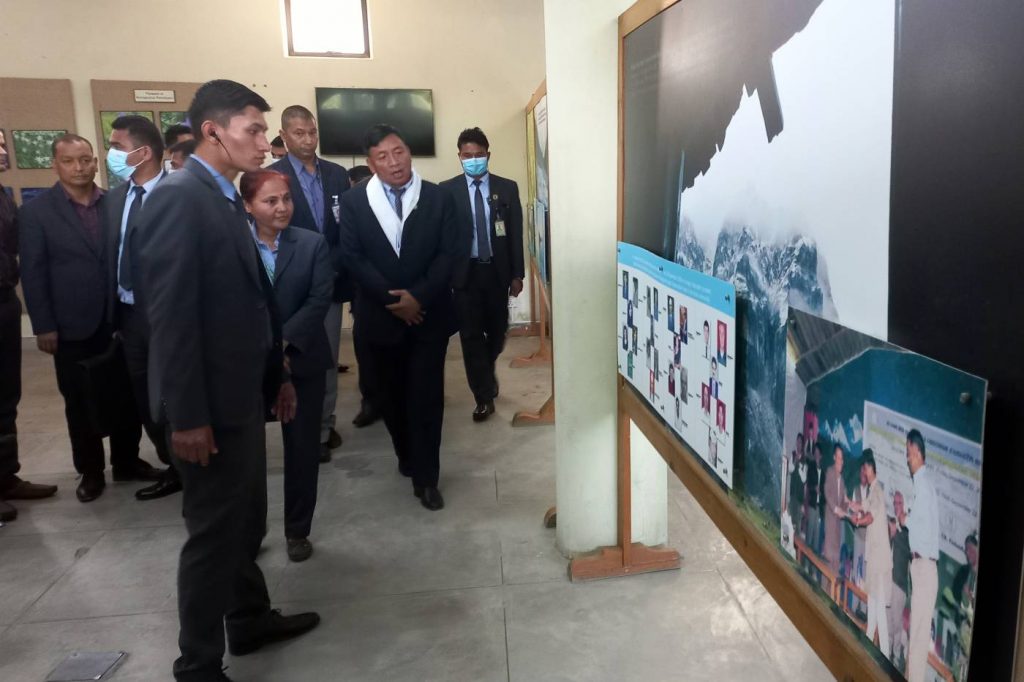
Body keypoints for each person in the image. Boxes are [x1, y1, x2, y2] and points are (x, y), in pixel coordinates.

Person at [134, 79, 318, 682]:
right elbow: (172, 319)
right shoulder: (179, 198)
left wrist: (277, 373)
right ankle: (197, 666)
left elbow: (252, 299)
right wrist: (187, 417)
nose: (265, 143)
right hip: (205, 407)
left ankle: (249, 619)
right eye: (254, 130)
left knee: (241, 521)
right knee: (213, 533)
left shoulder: (222, 198)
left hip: (239, 394)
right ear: (212, 131)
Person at [19, 134, 158, 503]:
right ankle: (91, 471)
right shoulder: (36, 213)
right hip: (69, 325)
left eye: (85, 160)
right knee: (80, 402)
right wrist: (43, 325)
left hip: (117, 318)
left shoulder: (115, 203)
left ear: (96, 163)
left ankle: (127, 461)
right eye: (69, 161)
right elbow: (33, 272)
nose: (78, 168)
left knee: (126, 395)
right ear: (55, 165)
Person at [339, 124, 461, 512]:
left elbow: (448, 254)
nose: (394, 162)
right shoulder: (355, 202)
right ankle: (406, 455)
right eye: (383, 156)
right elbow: (353, 256)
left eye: (399, 152)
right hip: (380, 317)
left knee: (427, 398)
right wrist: (394, 300)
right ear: (371, 163)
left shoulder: (438, 197)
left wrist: (418, 297)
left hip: (428, 316)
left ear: (409, 152)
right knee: (389, 397)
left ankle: (427, 478)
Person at [241, 169, 333, 563]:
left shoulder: (312, 244)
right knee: (248, 456)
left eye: (287, 199)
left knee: (302, 451)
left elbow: (319, 299)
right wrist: (264, 346)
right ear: (248, 206)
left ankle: (298, 530)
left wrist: (281, 344)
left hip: (302, 359)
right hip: (248, 364)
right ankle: (249, 532)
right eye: (270, 201)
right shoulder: (234, 246)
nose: (282, 207)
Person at [103, 115, 182, 502]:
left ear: (143, 152)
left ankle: (189, 466)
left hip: (171, 316)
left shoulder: (180, 195)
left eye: (117, 147)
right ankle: (172, 463)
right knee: (144, 397)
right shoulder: (115, 198)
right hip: (129, 316)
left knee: (176, 394)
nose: (111, 154)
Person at [269, 105, 351, 463]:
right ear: (284, 135)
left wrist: (330, 268)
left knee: (327, 359)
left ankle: (323, 426)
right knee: (293, 357)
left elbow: (345, 230)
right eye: (299, 133)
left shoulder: (336, 174)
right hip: (289, 286)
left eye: (312, 132)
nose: (307, 139)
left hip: (330, 280)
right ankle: (299, 426)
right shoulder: (273, 177)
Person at [441, 127, 524, 422]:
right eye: (467, 155)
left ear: (488, 155)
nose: (473, 160)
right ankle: (483, 396)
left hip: (497, 272)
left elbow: (514, 233)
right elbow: (442, 237)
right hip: (465, 274)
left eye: (478, 155)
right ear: (459, 157)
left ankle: (486, 372)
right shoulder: (446, 190)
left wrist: (517, 274)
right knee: (471, 335)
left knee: (498, 332)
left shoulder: (507, 188)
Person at [0, 131, 58, 521]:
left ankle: (6, 477)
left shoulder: (3, 195)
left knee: (6, 398)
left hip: (4, 298)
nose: (3, 150)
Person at [900, 428, 938, 682]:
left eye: (907, 452)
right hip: (922, 569)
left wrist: (905, 519)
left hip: (924, 569)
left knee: (919, 637)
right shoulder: (923, 485)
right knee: (917, 636)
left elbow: (916, 523)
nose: (907, 458)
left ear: (916, 450)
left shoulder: (923, 484)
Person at [846, 451, 892, 657]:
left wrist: (857, 521)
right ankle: (867, 648)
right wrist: (849, 503)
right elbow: (862, 505)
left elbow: (870, 517)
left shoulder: (878, 492)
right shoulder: (872, 491)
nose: (863, 472)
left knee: (879, 610)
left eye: (865, 468)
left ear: (871, 469)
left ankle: (885, 656)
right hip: (874, 560)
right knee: (873, 606)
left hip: (880, 563)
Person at [344, 164, 380, 428]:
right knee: (366, 349)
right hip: (364, 293)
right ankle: (371, 402)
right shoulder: (351, 210)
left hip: (399, 290)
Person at [822, 444, 849, 577]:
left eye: (842, 458)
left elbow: (843, 503)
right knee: (828, 558)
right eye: (838, 458)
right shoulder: (830, 472)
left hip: (838, 525)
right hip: (830, 522)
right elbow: (827, 492)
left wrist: (848, 505)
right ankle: (822, 587)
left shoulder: (842, 481)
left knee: (835, 561)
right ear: (834, 458)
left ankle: (832, 588)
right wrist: (837, 509)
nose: (840, 461)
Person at [788, 432, 805, 541]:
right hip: (792, 494)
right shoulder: (793, 454)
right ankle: (789, 543)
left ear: (802, 444)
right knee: (790, 521)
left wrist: (800, 467)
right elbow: (790, 470)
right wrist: (795, 461)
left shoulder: (805, 459)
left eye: (800, 442)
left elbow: (804, 479)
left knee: (797, 524)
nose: (798, 444)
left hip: (799, 497)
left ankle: (797, 545)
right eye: (797, 441)